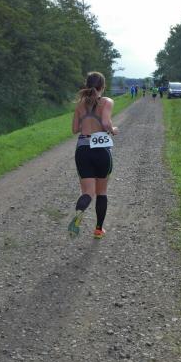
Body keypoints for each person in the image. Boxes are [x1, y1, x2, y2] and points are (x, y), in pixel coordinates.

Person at [68, 71, 119, 239]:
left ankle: (80, 212)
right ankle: (98, 230)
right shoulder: (107, 102)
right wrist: (113, 129)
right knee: (101, 192)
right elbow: (105, 122)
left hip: (83, 149)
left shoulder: (80, 105)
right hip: (101, 149)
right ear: (103, 86)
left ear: (87, 85)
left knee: (88, 193)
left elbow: (74, 129)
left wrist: (86, 122)